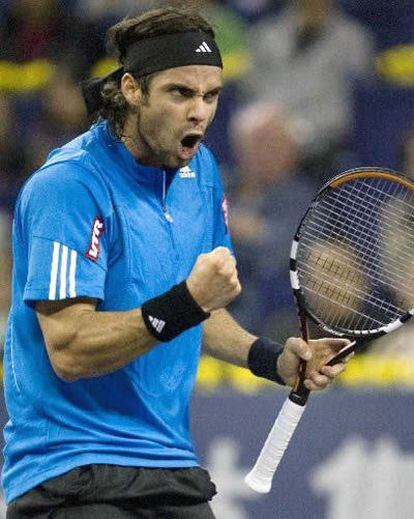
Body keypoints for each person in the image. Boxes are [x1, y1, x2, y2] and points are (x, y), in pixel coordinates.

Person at [2, 7, 350, 518]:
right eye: (180, 93)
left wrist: (274, 360)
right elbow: (70, 350)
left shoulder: (201, 172)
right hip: (71, 469)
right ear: (132, 89)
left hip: (167, 464)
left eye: (211, 96)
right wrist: (186, 301)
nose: (200, 113)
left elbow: (197, 313)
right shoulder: (69, 186)